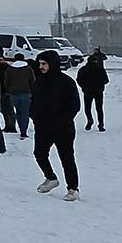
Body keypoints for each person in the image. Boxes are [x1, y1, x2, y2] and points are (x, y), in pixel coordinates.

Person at [32, 50, 81, 201]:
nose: (41, 67)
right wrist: (33, 116)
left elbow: (74, 106)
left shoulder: (66, 82)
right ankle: (51, 178)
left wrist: (61, 121)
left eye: (44, 64)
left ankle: (73, 189)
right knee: (39, 154)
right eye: (39, 64)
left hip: (62, 128)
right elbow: (34, 101)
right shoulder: (39, 80)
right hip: (42, 127)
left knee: (66, 158)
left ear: (52, 64)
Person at [5, 53, 37, 139]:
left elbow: (6, 82)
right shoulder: (28, 69)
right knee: (25, 113)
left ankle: (20, 127)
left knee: (18, 112)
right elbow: (33, 81)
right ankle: (24, 131)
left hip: (13, 94)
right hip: (26, 93)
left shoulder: (10, 69)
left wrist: (8, 90)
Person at [77, 57, 109, 132]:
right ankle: (101, 125)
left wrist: (83, 86)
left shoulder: (83, 69)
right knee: (99, 108)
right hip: (98, 91)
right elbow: (106, 80)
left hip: (87, 91)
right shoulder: (100, 69)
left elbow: (79, 80)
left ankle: (89, 120)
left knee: (87, 108)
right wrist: (100, 84)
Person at [0, 53, 18, 133]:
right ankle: (7, 125)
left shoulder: (8, 69)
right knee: (4, 111)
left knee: (9, 110)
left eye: (0, 60)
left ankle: (11, 126)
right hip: (1, 92)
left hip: (7, 93)